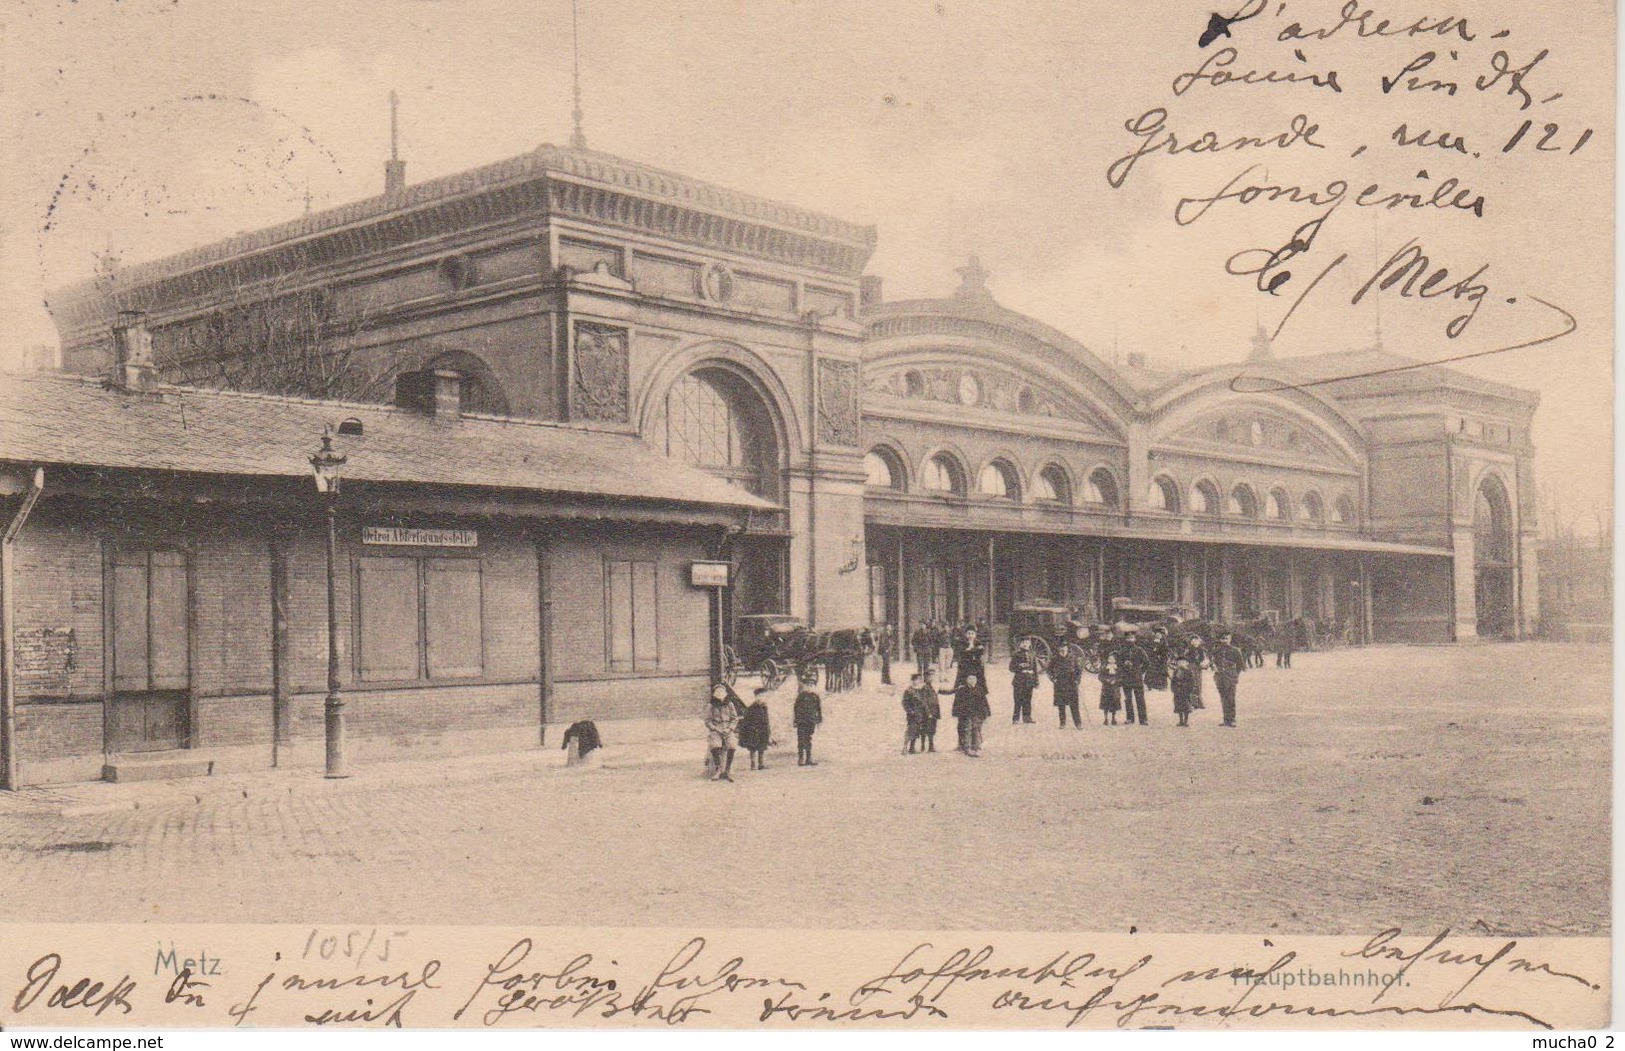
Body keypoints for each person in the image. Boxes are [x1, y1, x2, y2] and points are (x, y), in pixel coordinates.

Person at [943, 672, 990, 756]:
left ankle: (976, 747)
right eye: (970, 679)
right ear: (966, 680)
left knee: (976, 730)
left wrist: (986, 714)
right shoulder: (962, 690)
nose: (972, 681)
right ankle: (967, 747)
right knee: (967, 730)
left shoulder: (980, 690)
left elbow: (984, 703)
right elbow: (957, 702)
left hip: (977, 714)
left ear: (976, 681)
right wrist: (956, 712)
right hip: (966, 714)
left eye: (974, 679)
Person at [705, 684, 741, 782]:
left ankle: (727, 770)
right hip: (716, 730)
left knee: (732, 745)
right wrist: (716, 729)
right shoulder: (711, 706)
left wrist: (730, 729)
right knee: (715, 745)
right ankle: (718, 769)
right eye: (718, 693)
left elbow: (734, 719)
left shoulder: (730, 704)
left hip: (728, 730)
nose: (720, 696)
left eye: (722, 693)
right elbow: (707, 721)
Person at [1049, 631, 1084, 729]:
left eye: (1064, 647)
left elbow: (1079, 670)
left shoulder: (1073, 657)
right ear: (1058, 648)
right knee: (1061, 704)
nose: (1062, 649)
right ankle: (1062, 723)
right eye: (1060, 647)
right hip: (1060, 682)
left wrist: (1077, 680)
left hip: (1071, 682)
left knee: (1074, 704)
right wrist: (1053, 678)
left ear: (1067, 648)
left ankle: (1078, 723)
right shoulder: (1055, 658)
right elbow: (1049, 669)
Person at [1116, 625, 1149, 726]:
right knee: (1128, 699)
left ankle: (1143, 719)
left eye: (1132, 638)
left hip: (1137, 678)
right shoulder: (1122, 651)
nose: (1130, 640)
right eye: (1128, 638)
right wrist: (1123, 669)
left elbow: (1146, 662)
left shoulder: (1140, 650)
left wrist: (1140, 671)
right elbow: (1118, 664)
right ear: (1125, 639)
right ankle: (1130, 718)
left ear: (1135, 639)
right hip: (1126, 678)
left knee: (1140, 699)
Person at [1212, 630, 1246, 727]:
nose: (1225, 641)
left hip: (1230, 676)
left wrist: (1234, 675)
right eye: (1223, 639)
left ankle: (1232, 719)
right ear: (1220, 639)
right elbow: (1213, 662)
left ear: (1230, 639)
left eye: (1227, 638)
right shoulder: (1216, 650)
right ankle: (1226, 719)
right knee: (1223, 698)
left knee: (1230, 698)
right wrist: (1213, 667)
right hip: (1219, 677)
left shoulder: (1235, 650)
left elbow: (1240, 665)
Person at [793, 673, 824, 766]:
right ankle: (801, 758)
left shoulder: (815, 697)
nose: (810, 686)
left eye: (812, 685)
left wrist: (819, 720)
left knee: (808, 739)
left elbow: (819, 709)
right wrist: (795, 720)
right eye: (808, 685)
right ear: (805, 686)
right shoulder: (801, 696)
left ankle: (808, 758)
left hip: (811, 721)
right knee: (801, 739)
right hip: (802, 721)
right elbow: (796, 709)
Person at [739, 689, 772, 770]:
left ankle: (761, 764)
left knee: (762, 747)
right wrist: (750, 730)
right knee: (753, 748)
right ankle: (753, 764)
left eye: (763, 696)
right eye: (759, 696)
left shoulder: (764, 707)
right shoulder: (751, 708)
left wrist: (769, 731)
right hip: (753, 731)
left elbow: (766, 720)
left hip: (763, 730)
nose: (761, 698)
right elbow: (746, 721)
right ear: (756, 697)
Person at [1008, 637, 1039, 724]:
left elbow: (1035, 670)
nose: (1025, 644)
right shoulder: (1016, 655)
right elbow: (1011, 668)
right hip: (1019, 680)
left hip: (1029, 680)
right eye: (1023, 642)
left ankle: (1027, 717)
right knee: (1017, 699)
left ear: (1029, 644)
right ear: (1020, 644)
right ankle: (1016, 718)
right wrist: (1020, 666)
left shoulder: (1032, 655)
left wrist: (1036, 681)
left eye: (1027, 643)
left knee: (1028, 699)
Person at [901, 672, 933, 754]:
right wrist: (910, 711)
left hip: (921, 714)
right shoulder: (909, 691)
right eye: (918, 679)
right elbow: (904, 703)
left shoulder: (921, 690)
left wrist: (928, 712)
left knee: (917, 731)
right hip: (913, 714)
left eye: (920, 680)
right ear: (913, 680)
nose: (919, 681)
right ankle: (905, 747)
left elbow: (925, 702)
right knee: (911, 730)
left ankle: (912, 748)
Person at [1097, 641, 1122, 726]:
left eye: (1113, 659)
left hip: (1115, 688)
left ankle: (1113, 718)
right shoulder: (1104, 667)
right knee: (1106, 704)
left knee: (1114, 703)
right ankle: (1106, 718)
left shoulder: (1118, 668)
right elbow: (1100, 676)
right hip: (1106, 688)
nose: (1111, 660)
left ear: (1115, 660)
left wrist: (1116, 681)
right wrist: (1106, 680)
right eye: (1109, 659)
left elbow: (1121, 677)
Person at [1141, 624, 1171, 694]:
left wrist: (1161, 655)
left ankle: (1162, 686)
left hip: (1161, 658)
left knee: (1162, 671)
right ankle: (1150, 685)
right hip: (1153, 658)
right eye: (1157, 633)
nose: (1158, 635)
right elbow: (1148, 648)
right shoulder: (1152, 640)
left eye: (1160, 633)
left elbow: (1166, 650)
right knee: (1151, 670)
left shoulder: (1164, 640)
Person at [917, 665, 941, 752]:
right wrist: (928, 712)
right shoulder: (924, 687)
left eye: (933, 676)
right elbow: (924, 701)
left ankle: (931, 746)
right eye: (930, 676)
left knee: (932, 729)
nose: (932, 677)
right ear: (926, 677)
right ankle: (923, 746)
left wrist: (956, 689)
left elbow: (944, 691)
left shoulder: (933, 686)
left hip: (934, 711)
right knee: (924, 729)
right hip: (927, 712)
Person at [1170, 654, 1196, 727]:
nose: (1181, 664)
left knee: (1186, 707)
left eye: (1183, 662)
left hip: (1185, 692)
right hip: (1178, 692)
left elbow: (1192, 682)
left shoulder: (1189, 672)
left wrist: (1189, 689)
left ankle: (1186, 721)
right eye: (1179, 662)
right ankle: (1181, 720)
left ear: (1187, 663)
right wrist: (1174, 689)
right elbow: (1173, 681)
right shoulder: (1176, 671)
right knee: (1178, 706)